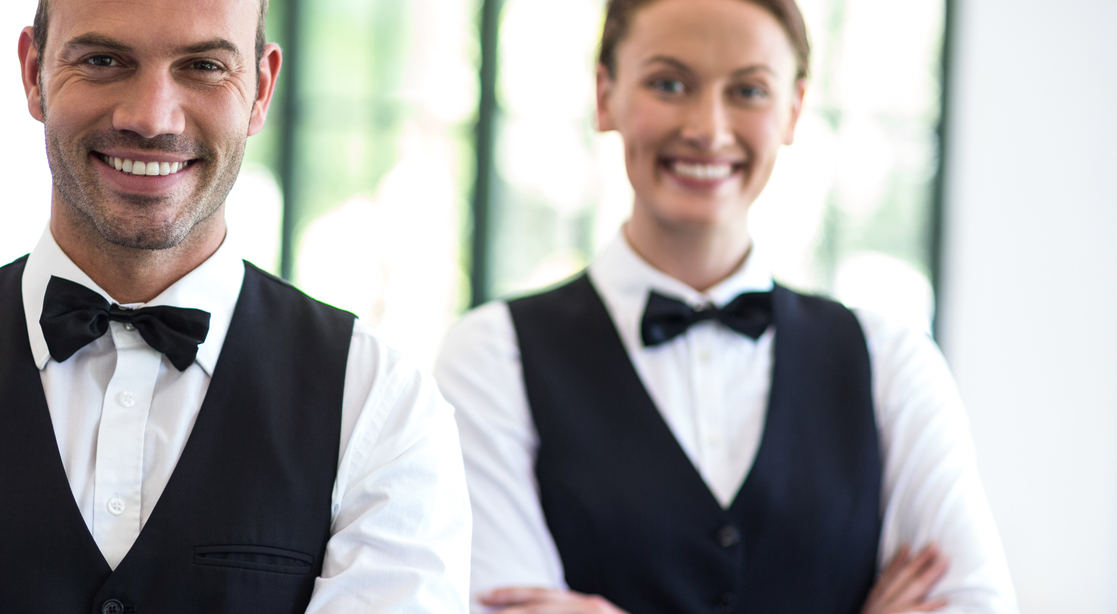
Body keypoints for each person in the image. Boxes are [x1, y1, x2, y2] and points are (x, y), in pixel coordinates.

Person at [0, 1, 472, 613]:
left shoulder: (381, 406)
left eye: (202, 67)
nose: (150, 118)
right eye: (104, 59)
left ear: (260, 89)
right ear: (32, 72)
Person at [434, 0, 1017, 612]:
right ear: (605, 95)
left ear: (793, 108)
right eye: (669, 83)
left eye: (748, 90)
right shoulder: (492, 357)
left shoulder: (889, 362)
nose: (708, 129)